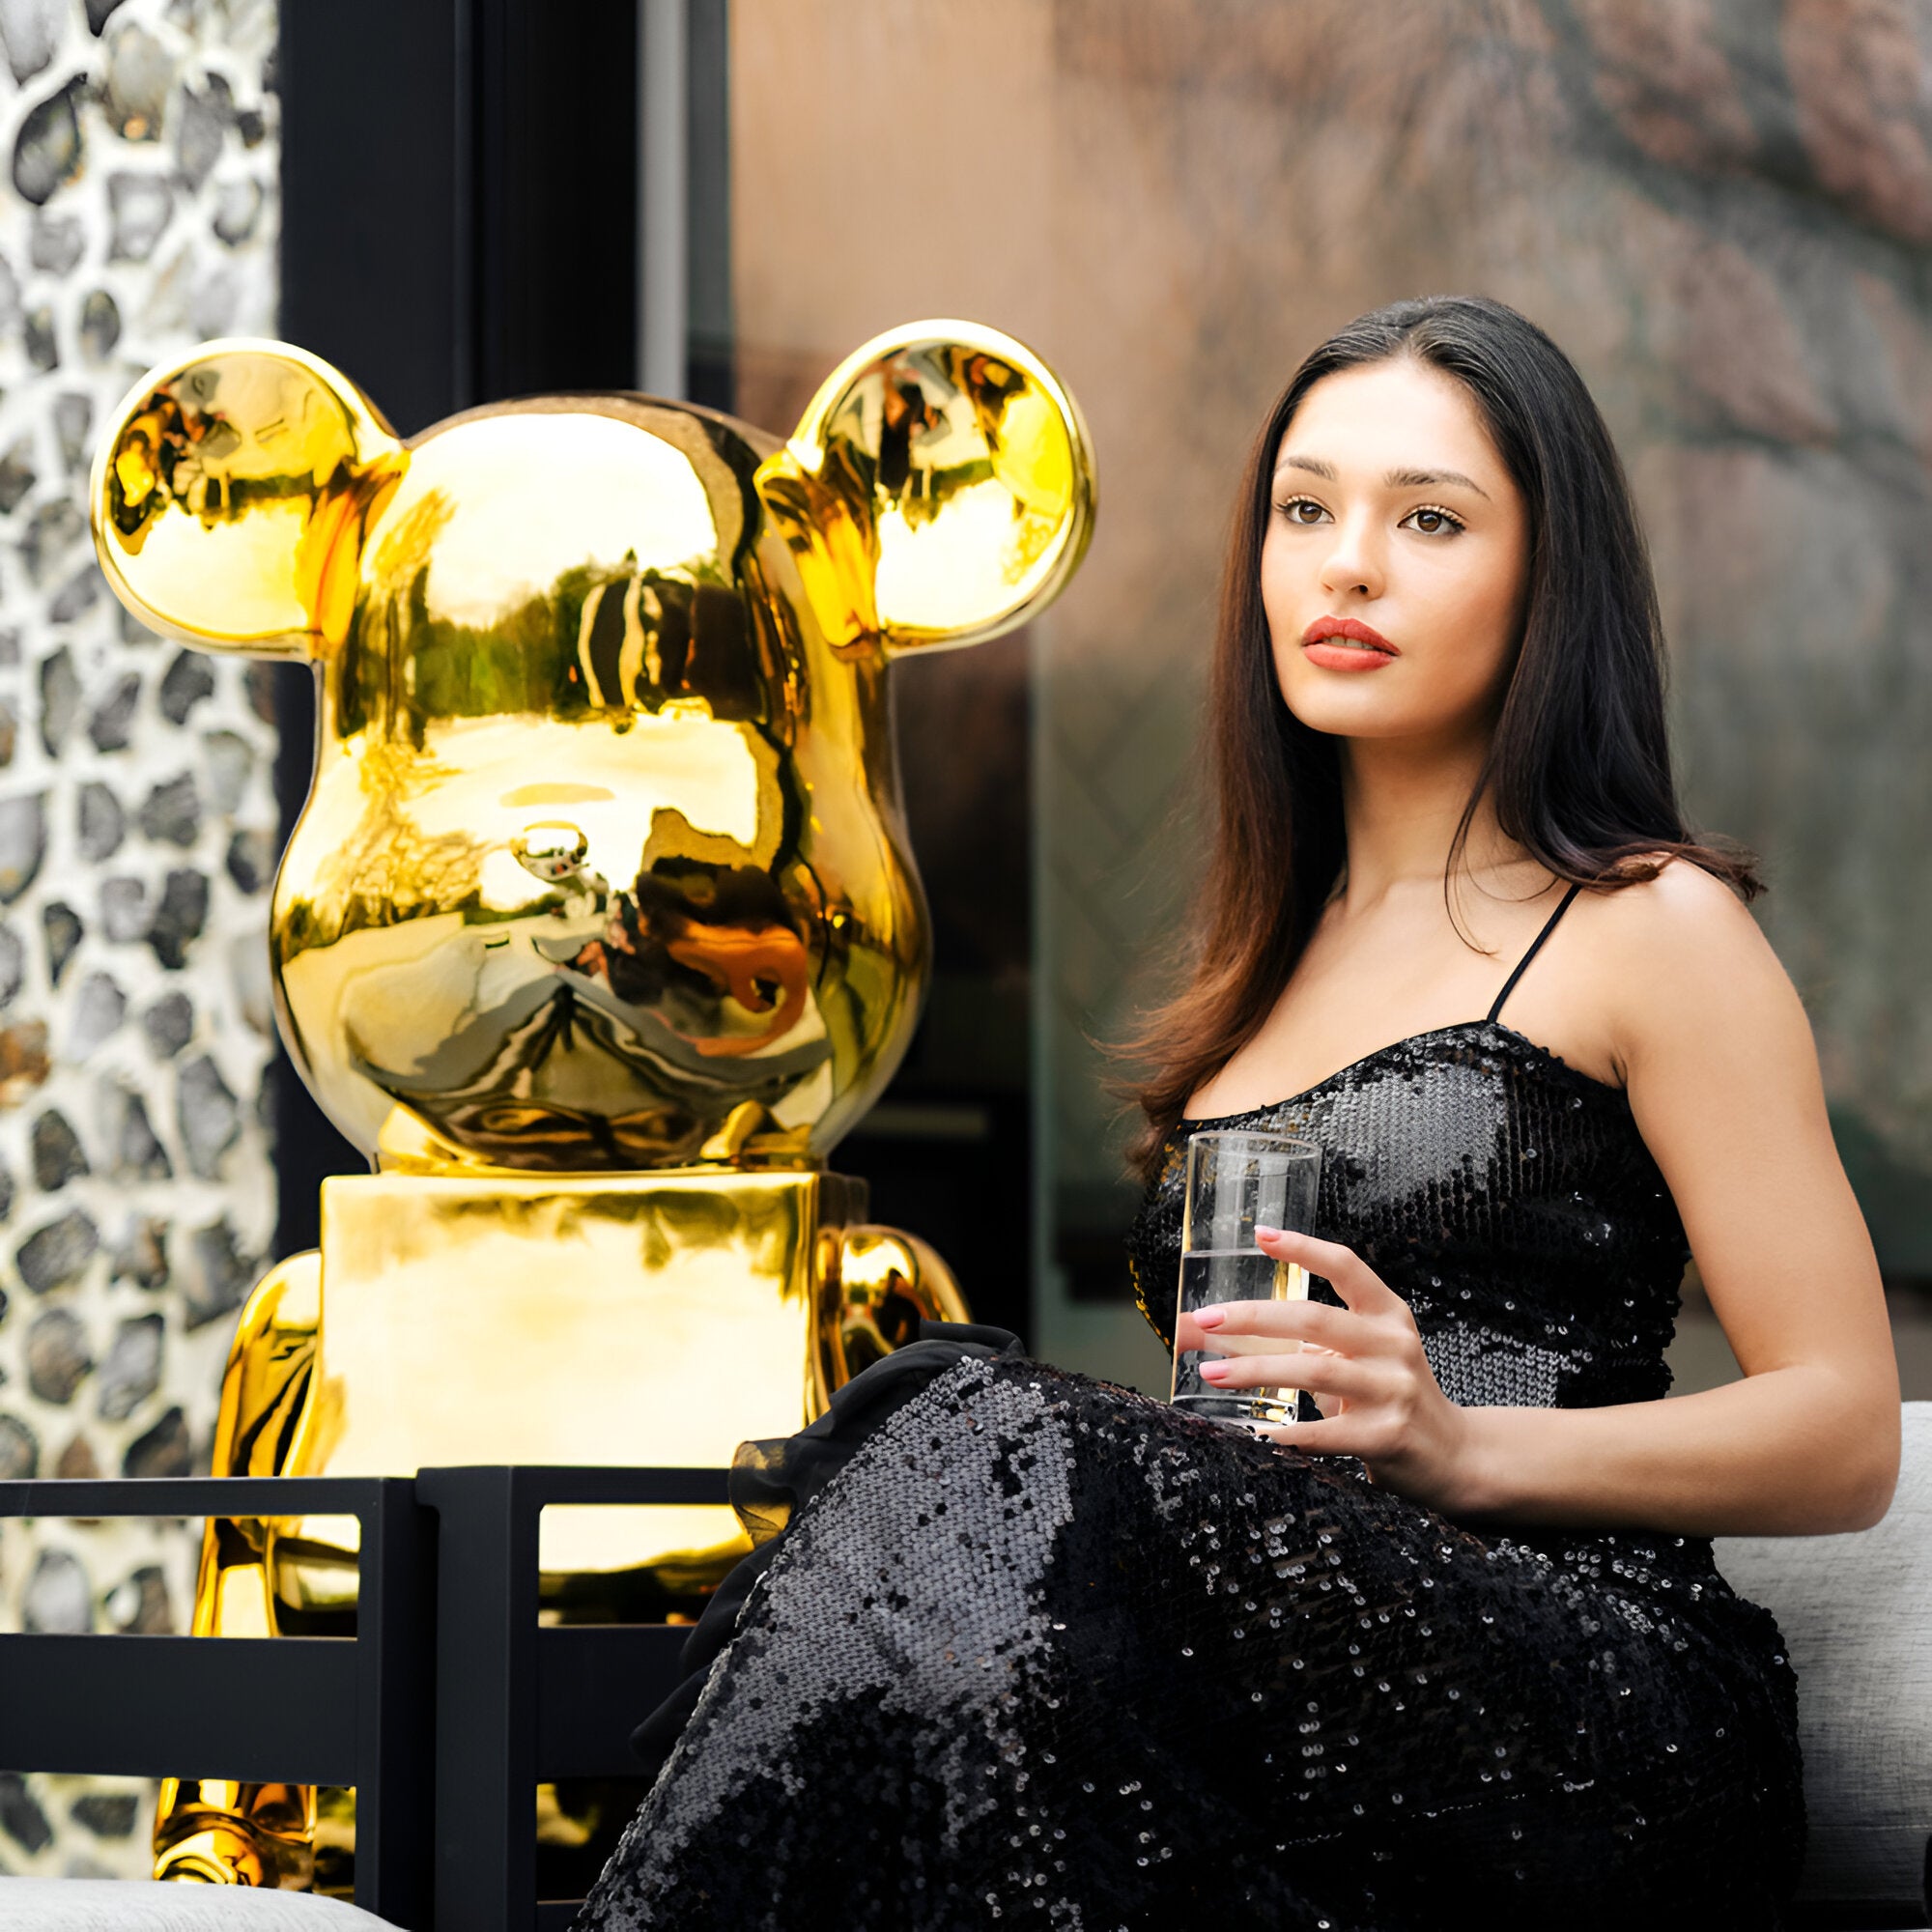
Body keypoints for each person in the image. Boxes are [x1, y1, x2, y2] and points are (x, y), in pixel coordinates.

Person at [575, 297, 1899, 1930]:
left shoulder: (1647, 926)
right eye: (1305, 510)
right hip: (1289, 1671)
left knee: (969, 1431)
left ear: (1547, 582)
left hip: (1592, 1694)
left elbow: (1843, 1430)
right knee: (973, 1664)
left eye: (1428, 519)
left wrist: (1464, 1447)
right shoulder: (1255, 981)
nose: (1348, 563)